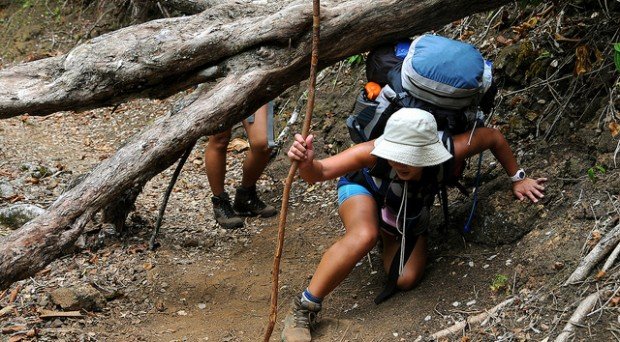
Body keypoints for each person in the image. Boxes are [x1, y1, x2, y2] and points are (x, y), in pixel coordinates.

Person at [281, 108, 547, 341]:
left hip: (405, 206)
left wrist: (518, 178)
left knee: (405, 279)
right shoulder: (371, 152)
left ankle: (390, 230)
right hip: (363, 190)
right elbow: (320, 173)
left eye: (411, 157)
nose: (401, 164)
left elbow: (493, 137)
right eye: (397, 155)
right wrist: (306, 162)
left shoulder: (450, 150)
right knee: (364, 235)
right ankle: (303, 308)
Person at [205, 103, 277, 229]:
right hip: (220, 87)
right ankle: (220, 203)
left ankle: (245, 195)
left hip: (256, 85)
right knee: (220, 138)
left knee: (264, 143)